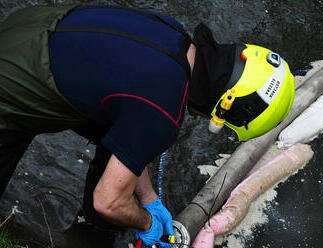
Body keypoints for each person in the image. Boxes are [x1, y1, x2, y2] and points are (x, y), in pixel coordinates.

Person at [0, 4, 295, 247]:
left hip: (30, 29)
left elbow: (133, 133)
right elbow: (108, 201)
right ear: (226, 106)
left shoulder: (177, 37)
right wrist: (147, 222)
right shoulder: (163, 114)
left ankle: (86, 236)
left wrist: (149, 198)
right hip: (13, 83)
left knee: (112, 137)